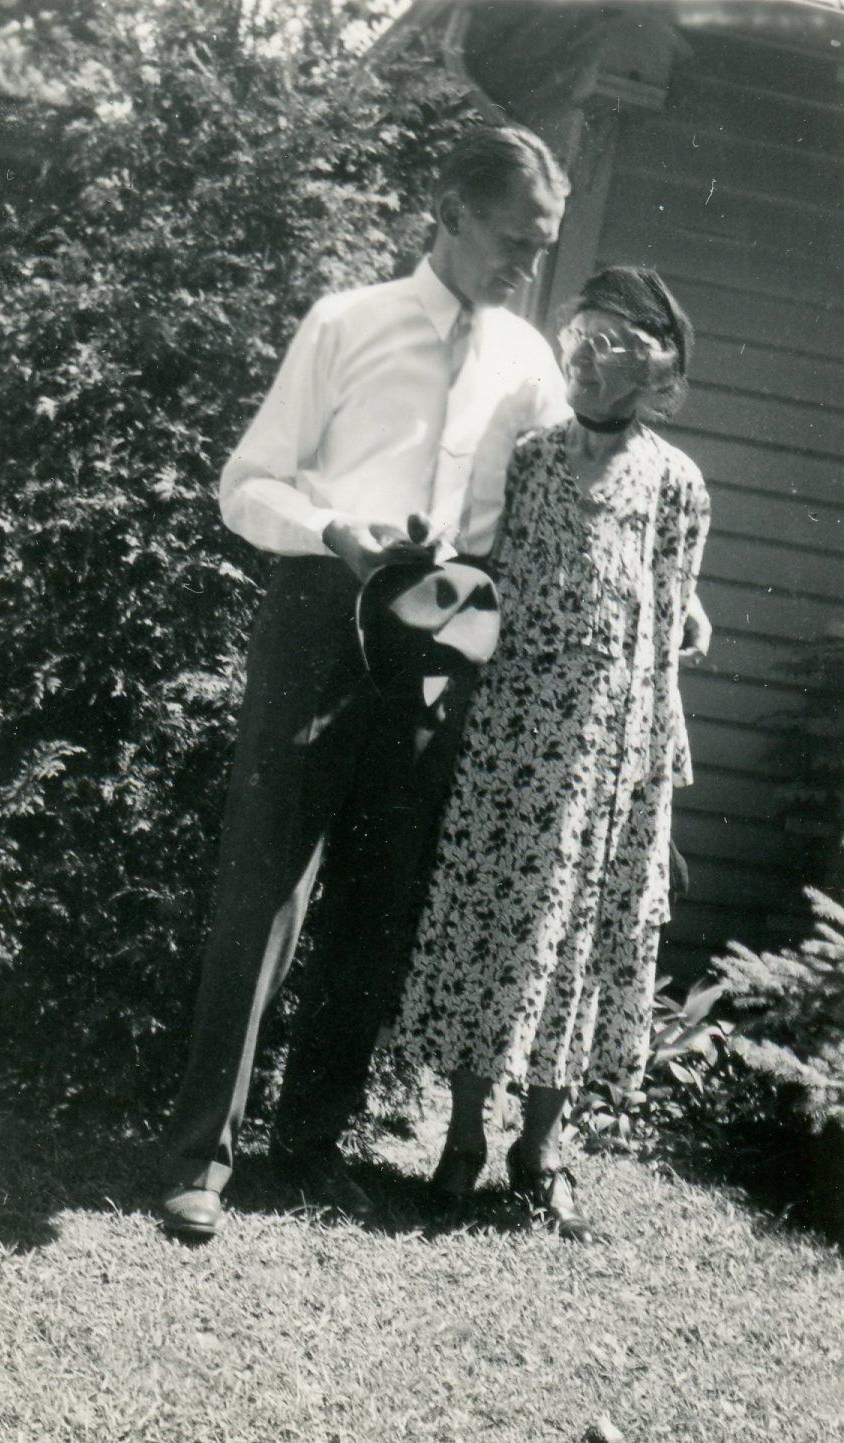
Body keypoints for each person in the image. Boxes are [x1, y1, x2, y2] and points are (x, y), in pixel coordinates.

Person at [158, 124, 574, 1237]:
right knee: (266, 885)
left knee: (382, 896)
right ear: (451, 209)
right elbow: (245, 485)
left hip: (450, 631)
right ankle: (201, 1156)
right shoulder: (348, 322)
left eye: (543, 245)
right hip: (323, 612)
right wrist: (334, 529)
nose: (527, 262)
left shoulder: (530, 363)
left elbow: (556, 510)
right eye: (515, 238)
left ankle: (309, 1145)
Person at [391, 265, 711, 1244]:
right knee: (492, 919)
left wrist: (656, 752)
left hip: (609, 751)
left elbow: (669, 621)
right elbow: (477, 576)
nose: (585, 359)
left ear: (651, 368)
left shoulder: (677, 483)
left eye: (611, 345)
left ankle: (541, 1151)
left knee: (578, 939)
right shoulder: (528, 459)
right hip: (510, 734)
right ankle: (462, 1141)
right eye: (580, 338)